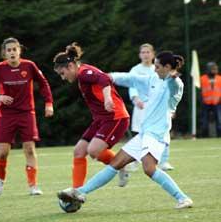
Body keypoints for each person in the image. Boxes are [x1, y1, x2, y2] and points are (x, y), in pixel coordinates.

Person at [58, 51, 193, 209]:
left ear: (168, 67)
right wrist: (111, 77)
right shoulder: (153, 78)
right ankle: (80, 192)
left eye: (157, 66)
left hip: (156, 135)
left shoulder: (176, 84)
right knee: (116, 163)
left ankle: (183, 198)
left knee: (149, 169)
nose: (154, 69)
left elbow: (174, 86)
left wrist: (173, 77)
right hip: (144, 134)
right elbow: (133, 79)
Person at [53, 42, 130, 189]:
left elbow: (105, 78)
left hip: (115, 117)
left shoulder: (84, 73)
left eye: (62, 73)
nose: (63, 78)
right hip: (101, 120)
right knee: (79, 151)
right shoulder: (83, 74)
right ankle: (75, 192)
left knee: (94, 150)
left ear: (70, 66)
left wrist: (107, 98)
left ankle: (121, 164)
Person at [0, 37, 54, 196]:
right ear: (4, 53)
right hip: (6, 115)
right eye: (8, 50)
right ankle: (0, 180)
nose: (12, 53)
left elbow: (43, 83)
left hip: (26, 113)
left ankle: (33, 186)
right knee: (3, 152)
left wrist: (49, 103)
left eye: (14, 49)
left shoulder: (29, 66)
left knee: (29, 150)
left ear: (19, 51)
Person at [127, 43, 174, 172]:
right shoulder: (136, 70)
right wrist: (135, 98)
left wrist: (171, 107)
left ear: (153, 54)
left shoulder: (158, 68)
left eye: (148, 52)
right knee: (139, 133)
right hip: (141, 106)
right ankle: (135, 161)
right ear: (139, 55)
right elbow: (132, 84)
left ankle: (164, 161)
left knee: (163, 132)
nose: (145, 55)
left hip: (158, 108)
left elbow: (168, 88)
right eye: (143, 52)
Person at [200, 61, 221, 137]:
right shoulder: (202, 78)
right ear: (208, 69)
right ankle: (204, 136)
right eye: (213, 69)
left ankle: (219, 136)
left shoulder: (220, 78)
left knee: (219, 121)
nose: (215, 70)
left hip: (217, 103)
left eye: (216, 69)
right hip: (205, 103)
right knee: (204, 121)